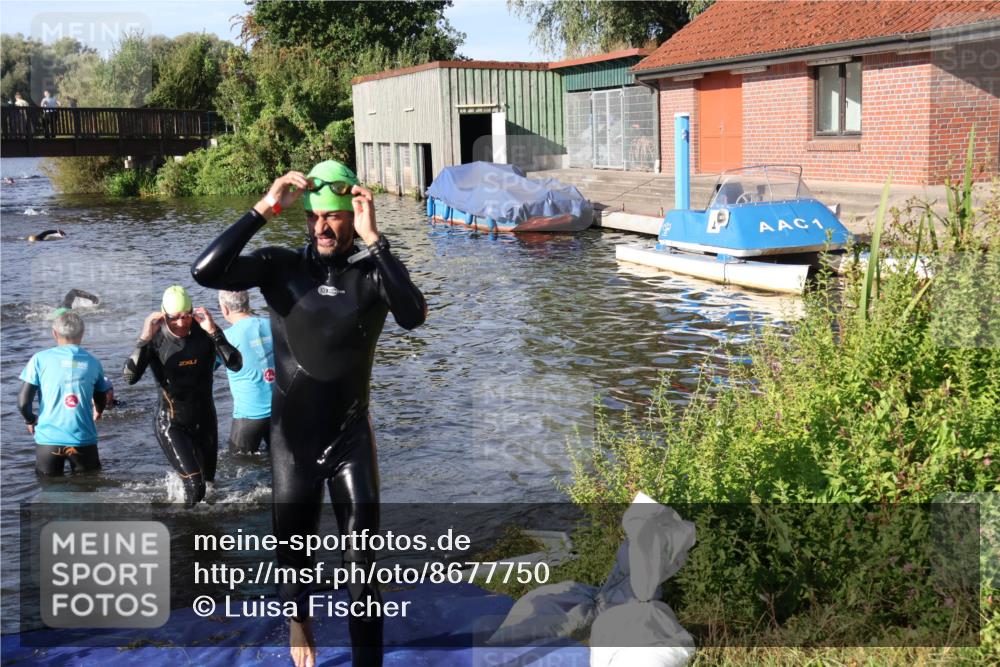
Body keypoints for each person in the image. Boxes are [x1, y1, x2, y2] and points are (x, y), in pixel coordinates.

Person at [191, 160, 426, 667]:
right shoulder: (280, 267)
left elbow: (413, 314)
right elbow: (205, 271)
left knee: (363, 565)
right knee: (294, 555)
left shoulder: (371, 274)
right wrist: (263, 208)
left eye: (333, 217)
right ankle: (301, 622)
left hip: (350, 439)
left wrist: (376, 241)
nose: (321, 226)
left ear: (352, 215)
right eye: (314, 217)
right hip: (291, 441)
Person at [122, 285, 242, 506]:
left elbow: (236, 364)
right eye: (173, 317)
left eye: (186, 316)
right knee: (196, 486)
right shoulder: (156, 339)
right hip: (171, 423)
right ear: (163, 314)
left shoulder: (204, 332)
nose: (180, 322)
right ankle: (185, 534)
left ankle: (200, 531)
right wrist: (143, 339)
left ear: (192, 311)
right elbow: (129, 378)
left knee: (210, 489)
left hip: (206, 421)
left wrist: (214, 331)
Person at [17, 311, 112, 476]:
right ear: (82, 333)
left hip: (48, 442)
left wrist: (30, 419)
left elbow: (23, 402)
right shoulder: (93, 362)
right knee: (88, 490)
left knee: (49, 492)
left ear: (54, 333)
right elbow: (100, 395)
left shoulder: (39, 359)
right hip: (83, 440)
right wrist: (99, 410)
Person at [217, 289, 275, 454]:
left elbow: (205, 370)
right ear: (247, 303)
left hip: (249, 416)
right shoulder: (272, 324)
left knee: (239, 466)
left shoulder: (225, 339)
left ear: (224, 309)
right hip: (280, 411)